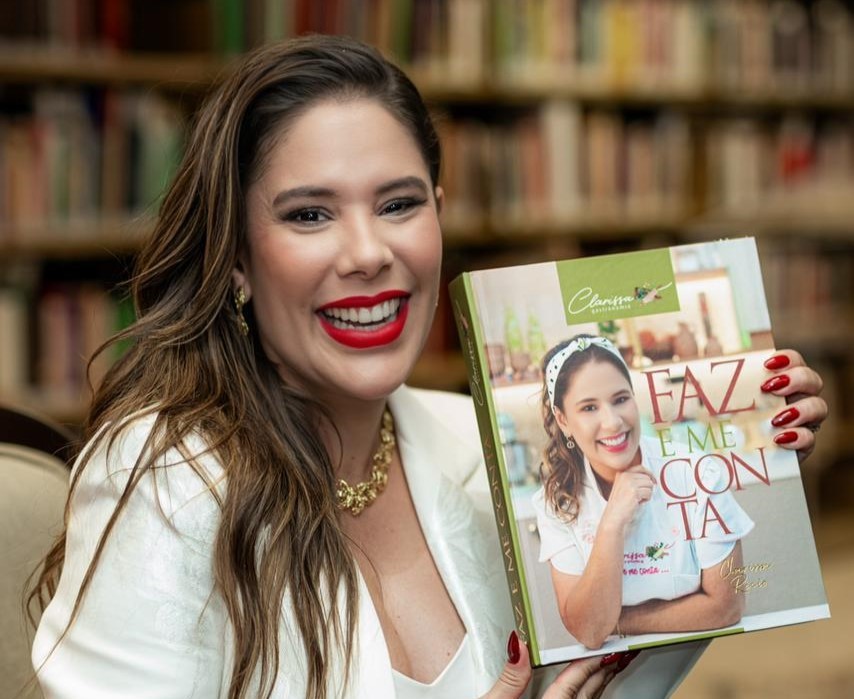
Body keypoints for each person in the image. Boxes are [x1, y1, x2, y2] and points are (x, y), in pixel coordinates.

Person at [27, 35, 826, 699]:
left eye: (399, 204)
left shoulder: (482, 444)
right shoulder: (163, 480)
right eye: (310, 213)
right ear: (236, 257)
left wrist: (742, 458)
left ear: (439, 215)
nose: (368, 252)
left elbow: (594, 663)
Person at [533, 334, 825, 651]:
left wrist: (614, 621)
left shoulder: (697, 471)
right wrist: (612, 523)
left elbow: (726, 606)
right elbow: (589, 633)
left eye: (620, 399)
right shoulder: (554, 502)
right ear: (563, 420)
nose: (613, 422)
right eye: (589, 407)